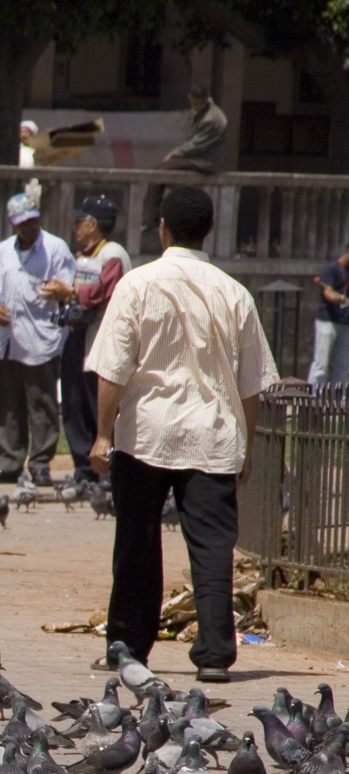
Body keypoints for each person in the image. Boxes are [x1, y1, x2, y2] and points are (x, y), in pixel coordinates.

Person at [86, 186, 278, 683]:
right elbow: (251, 385)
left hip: (144, 433)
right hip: (212, 437)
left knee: (136, 541)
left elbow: (113, 370)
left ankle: (128, 645)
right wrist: (248, 448)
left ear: (164, 228)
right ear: (208, 230)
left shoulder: (136, 285)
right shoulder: (234, 293)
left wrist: (102, 436)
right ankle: (214, 653)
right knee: (213, 548)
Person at [0, 192, 74, 487]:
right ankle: (9, 462)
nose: (29, 228)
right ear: (13, 224)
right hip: (8, 338)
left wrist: (56, 291)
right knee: (8, 404)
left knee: (42, 404)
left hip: (40, 338)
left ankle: (41, 464)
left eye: (33, 221)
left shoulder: (55, 248)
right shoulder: (2, 252)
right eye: (23, 224)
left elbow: (68, 288)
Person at [39, 195, 132, 482]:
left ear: (93, 224)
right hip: (77, 334)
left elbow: (108, 291)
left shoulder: (112, 254)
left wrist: (70, 293)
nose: (76, 227)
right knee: (74, 402)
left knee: (97, 402)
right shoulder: (83, 256)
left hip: (100, 338)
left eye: (80, 221)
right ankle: (83, 469)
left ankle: (106, 471)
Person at [144, 87, 228, 224]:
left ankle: (151, 219)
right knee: (159, 170)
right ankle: (155, 215)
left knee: (159, 173)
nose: (197, 106)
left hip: (205, 161)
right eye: (195, 103)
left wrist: (174, 153)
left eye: (200, 103)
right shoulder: (202, 113)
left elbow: (197, 145)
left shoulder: (212, 118)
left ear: (206, 100)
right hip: (199, 157)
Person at [308, 243, 349, 391]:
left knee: (343, 366)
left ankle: (339, 403)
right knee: (321, 363)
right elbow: (328, 293)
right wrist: (341, 299)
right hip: (327, 321)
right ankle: (313, 398)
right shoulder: (331, 269)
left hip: (346, 323)